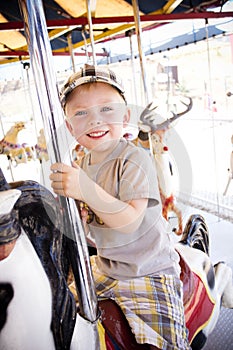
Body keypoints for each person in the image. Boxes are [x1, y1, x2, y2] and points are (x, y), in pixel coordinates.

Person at [49, 64, 190, 350]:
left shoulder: (135, 160)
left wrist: (83, 188)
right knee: (53, 307)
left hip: (147, 269)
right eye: (81, 113)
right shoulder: (83, 164)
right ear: (69, 127)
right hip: (106, 265)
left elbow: (129, 222)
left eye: (106, 109)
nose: (94, 121)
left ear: (125, 117)